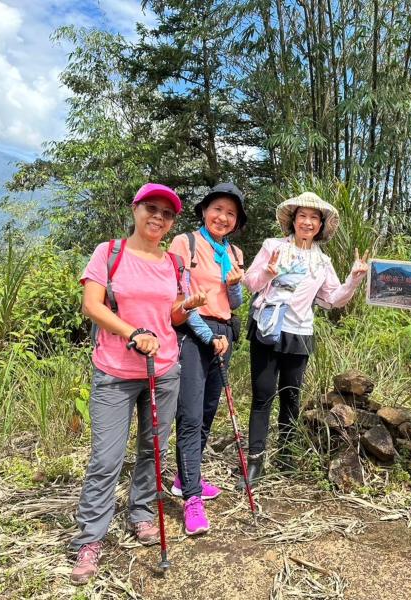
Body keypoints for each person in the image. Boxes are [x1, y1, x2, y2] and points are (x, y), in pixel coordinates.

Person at [70, 183, 205, 585]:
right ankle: (90, 539)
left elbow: (172, 318)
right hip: (115, 371)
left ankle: (142, 514)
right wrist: (132, 333)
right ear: (135, 209)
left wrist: (187, 308)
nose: (158, 217)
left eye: (166, 213)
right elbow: (91, 305)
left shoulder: (175, 265)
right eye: (151, 208)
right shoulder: (108, 253)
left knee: (153, 450)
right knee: (106, 459)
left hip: (163, 371)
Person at [239, 191, 369, 488]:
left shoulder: (322, 261)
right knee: (262, 396)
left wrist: (354, 279)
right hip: (267, 329)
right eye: (302, 216)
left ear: (320, 225)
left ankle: (285, 457)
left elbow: (333, 299)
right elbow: (250, 283)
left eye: (314, 218)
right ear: (293, 220)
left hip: (299, 333)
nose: (307, 222)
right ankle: (255, 461)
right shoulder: (273, 246)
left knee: (290, 397)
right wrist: (268, 273)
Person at [168, 182, 246, 535]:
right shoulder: (184, 244)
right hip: (192, 332)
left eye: (231, 213)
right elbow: (179, 296)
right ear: (203, 211)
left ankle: (186, 479)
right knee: (189, 414)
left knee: (207, 413)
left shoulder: (236, 252)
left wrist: (234, 286)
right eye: (218, 209)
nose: (223, 217)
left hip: (223, 335)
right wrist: (206, 335)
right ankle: (193, 500)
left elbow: (235, 302)